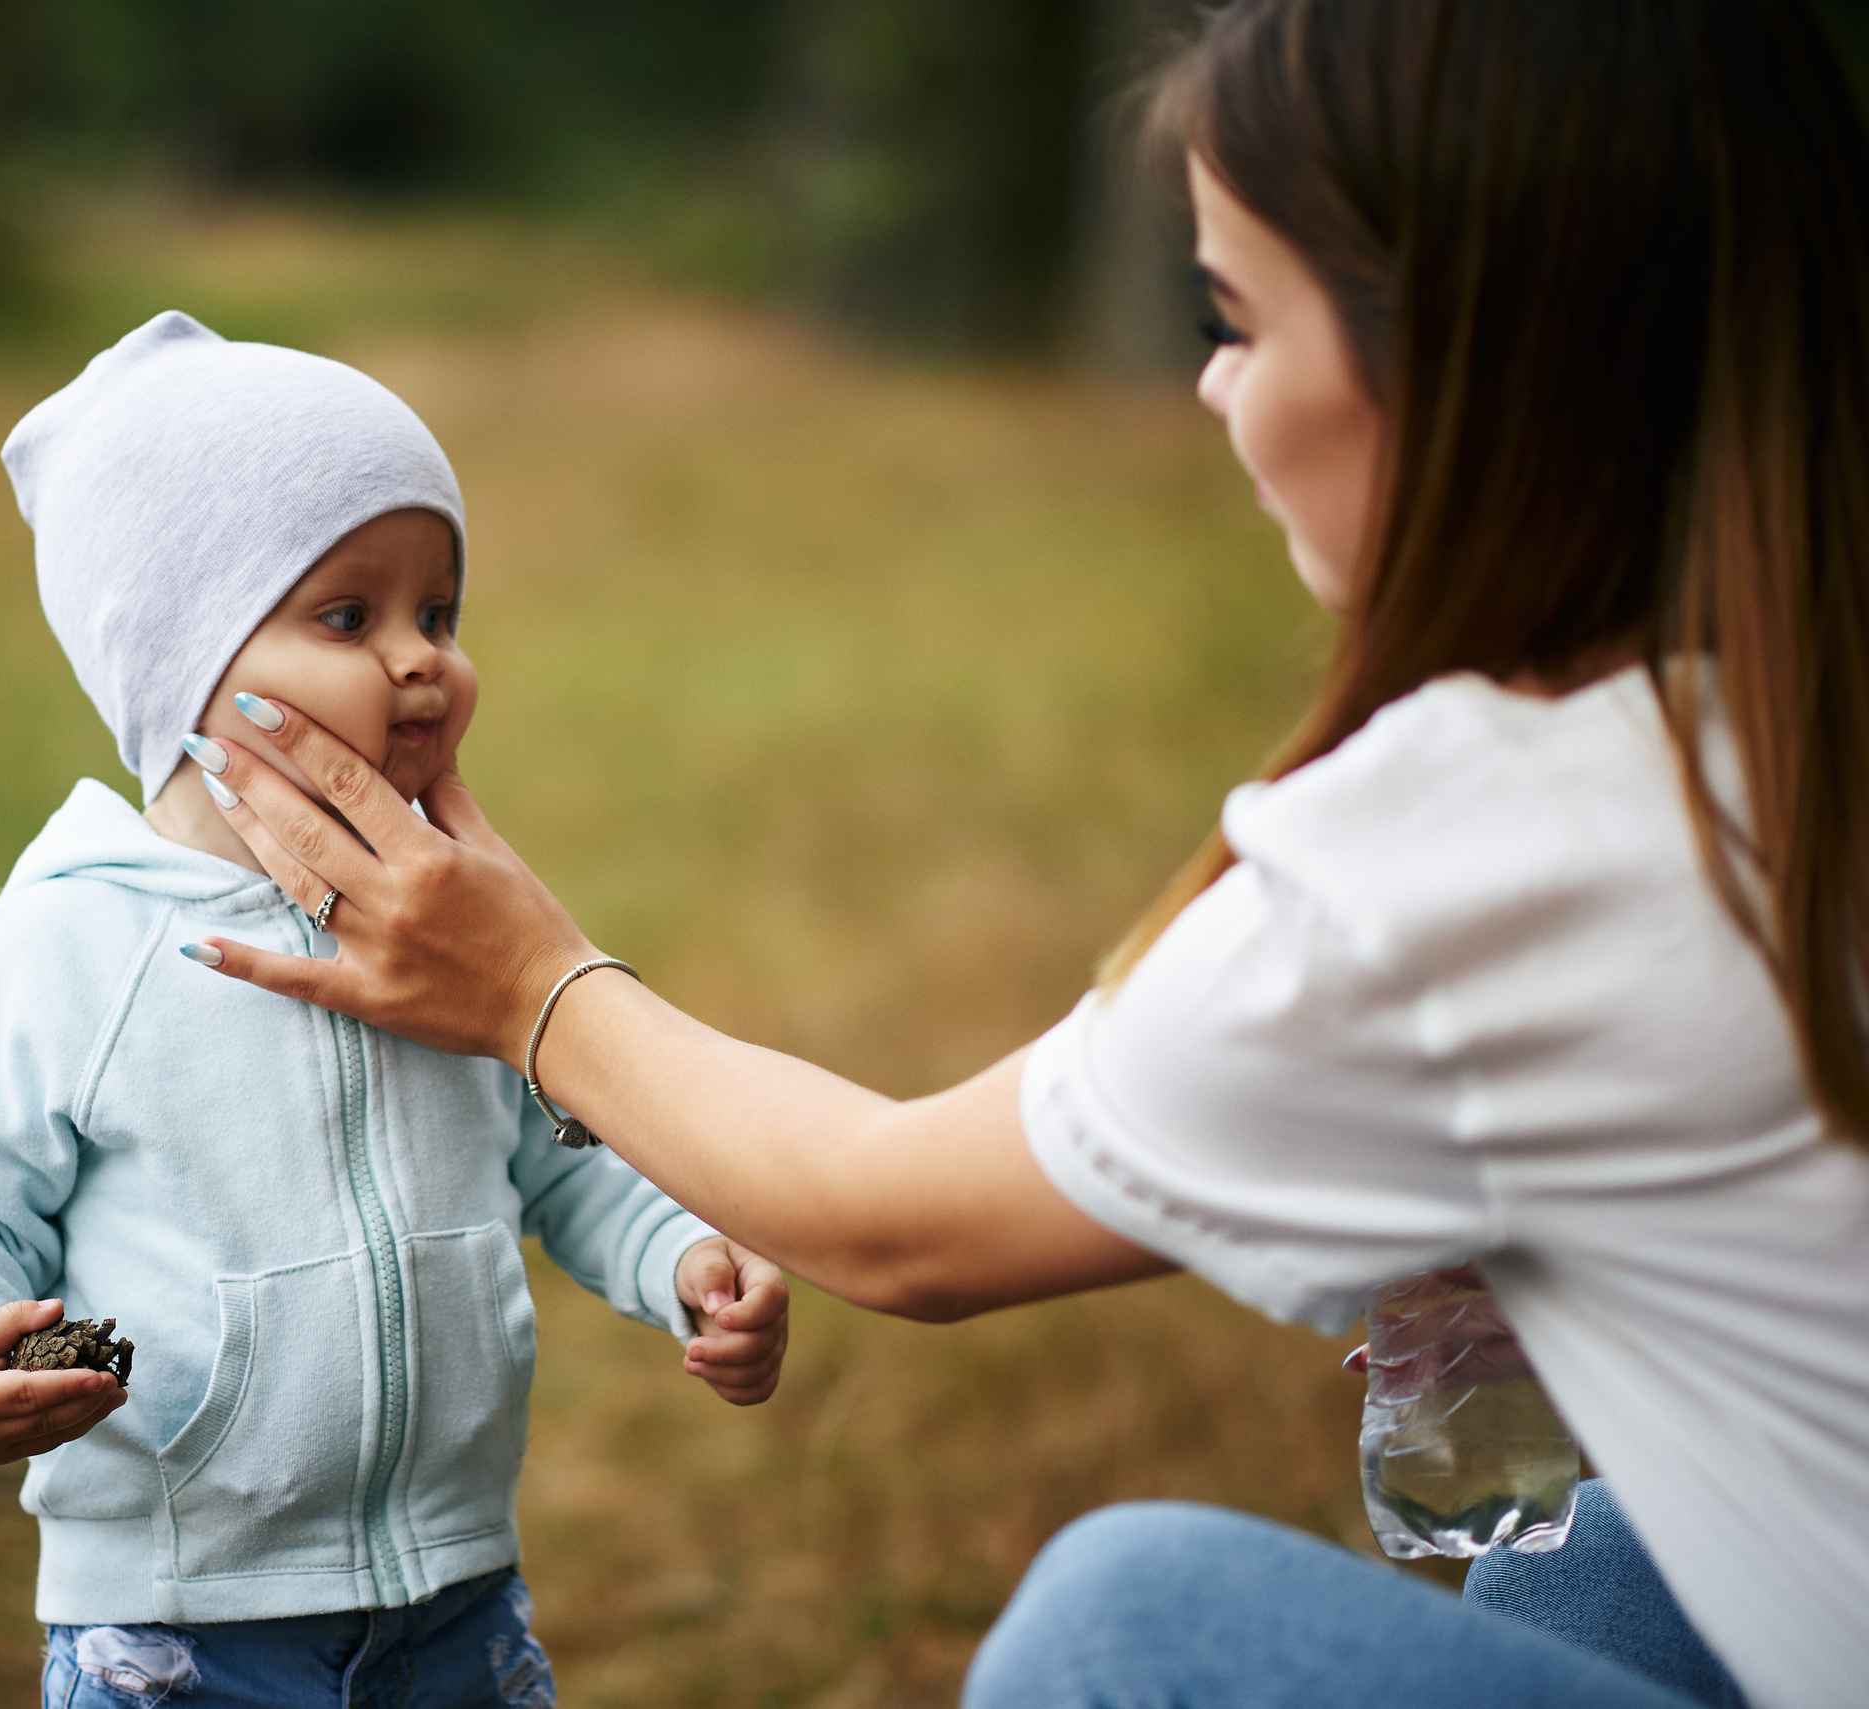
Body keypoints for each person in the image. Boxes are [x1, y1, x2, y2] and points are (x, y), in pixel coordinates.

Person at [163, 1, 1869, 1704]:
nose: (1214, 386)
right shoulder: (1787, 702)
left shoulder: (1477, 855)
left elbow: (904, 1220)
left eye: (1238, 315)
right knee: (1594, 1546)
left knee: (1128, 1622)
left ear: (1463, 355)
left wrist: (531, 985)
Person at [0, 310, 789, 1709]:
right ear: (181, 659)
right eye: (349, 615)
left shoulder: (453, 908)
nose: (421, 659)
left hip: (457, 1597)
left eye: (440, 612)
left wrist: (687, 1252)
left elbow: (562, 1135)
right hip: (183, 1628)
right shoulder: (81, 930)